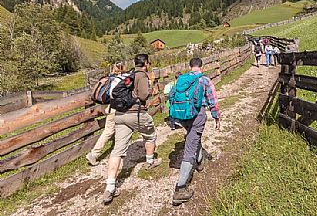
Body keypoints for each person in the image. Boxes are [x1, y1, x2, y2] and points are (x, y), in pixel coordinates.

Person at [102, 54, 162, 204]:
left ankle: (110, 186)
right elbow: (143, 95)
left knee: (117, 150)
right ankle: (150, 161)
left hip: (120, 115)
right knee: (150, 135)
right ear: (146, 64)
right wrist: (149, 89)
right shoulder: (141, 76)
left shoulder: (127, 74)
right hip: (136, 114)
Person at [171, 58, 220, 206]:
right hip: (197, 115)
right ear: (201, 66)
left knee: (193, 136)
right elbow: (213, 99)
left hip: (182, 115)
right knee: (190, 146)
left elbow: (172, 97)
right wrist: (216, 117)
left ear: (190, 66)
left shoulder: (182, 79)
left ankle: (199, 162)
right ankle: (180, 189)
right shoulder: (204, 80)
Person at [86, 62, 125, 166]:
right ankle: (94, 154)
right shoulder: (118, 80)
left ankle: (119, 146)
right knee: (109, 130)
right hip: (111, 107)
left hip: (104, 106)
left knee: (117, 126)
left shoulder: (107, 78)